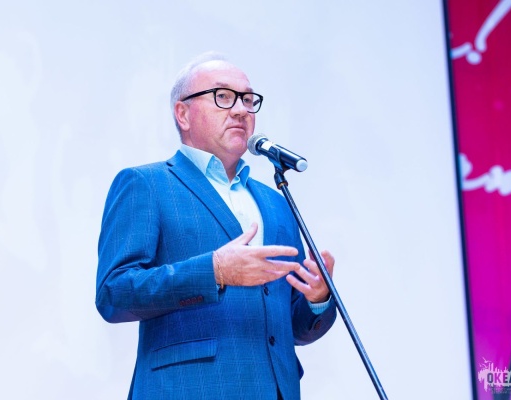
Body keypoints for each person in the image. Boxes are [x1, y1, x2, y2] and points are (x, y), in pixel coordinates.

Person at [95, 52, 337, 400]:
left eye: (248, 100)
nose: (240, 110)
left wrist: (317, 298)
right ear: (183, 114)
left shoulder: (277, 203)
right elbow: (113, 294)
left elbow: (294, 328)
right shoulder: (146, 184)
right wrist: (215, 271)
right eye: (223, 96)